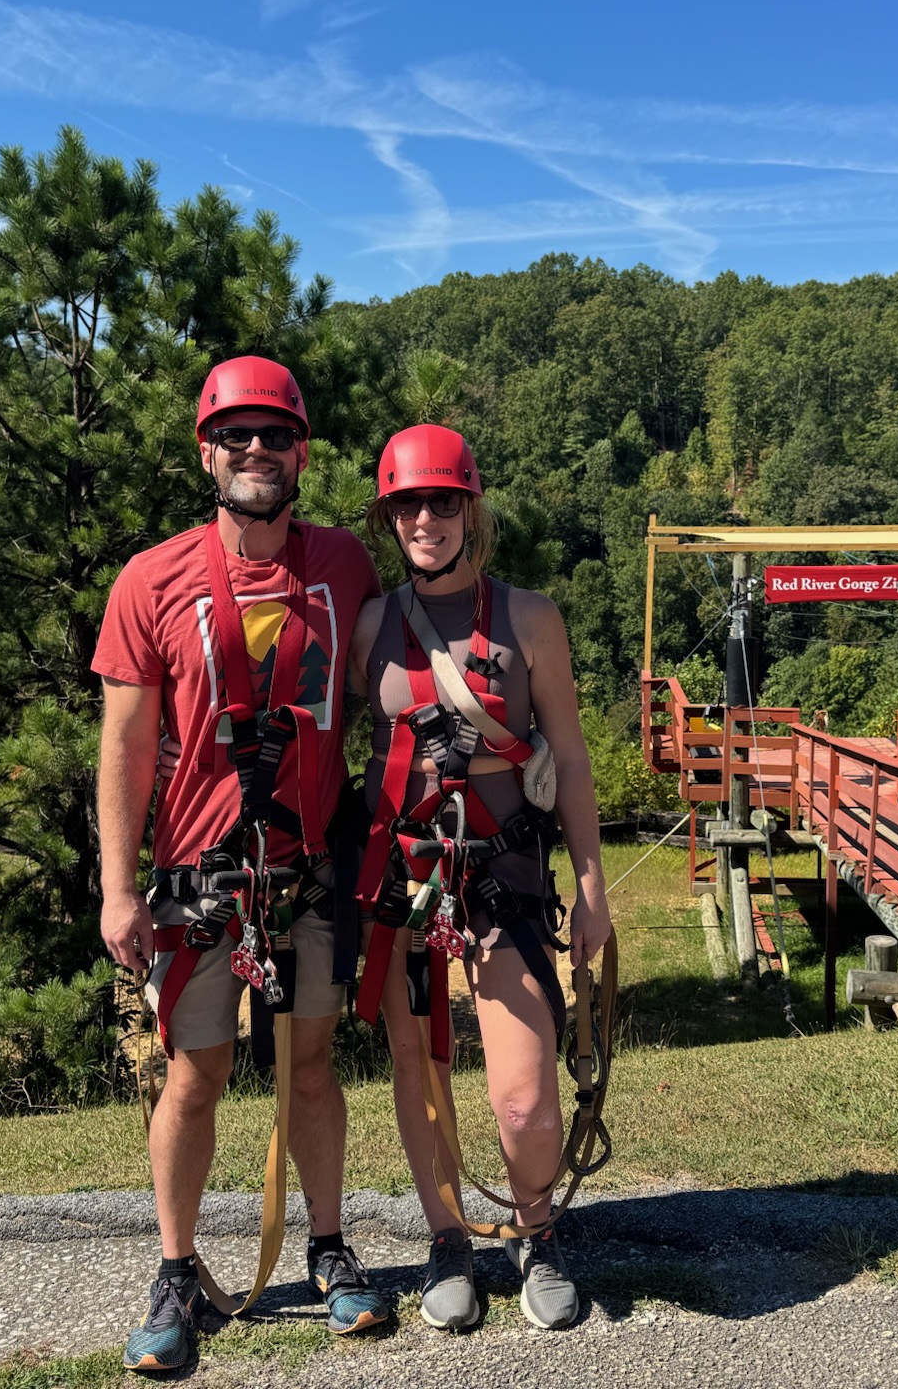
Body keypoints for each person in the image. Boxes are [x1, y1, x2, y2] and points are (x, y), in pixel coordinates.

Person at [95, 356, 387, 1371]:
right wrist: (117, 888)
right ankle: (176, 1268)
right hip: (196, 872)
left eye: (274, 436)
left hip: (304, 866)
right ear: (206, 453)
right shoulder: (153, 579)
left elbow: (395, 680)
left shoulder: (344, 565)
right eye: (236, 437)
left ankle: (328, 1246)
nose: (255, 453)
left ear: (301, 451)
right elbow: (126, 746)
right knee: (195, 1073)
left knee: (311, 1070)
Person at [347, 424, 614, 1332]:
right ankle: (449, 1237)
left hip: (504, 875)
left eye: (443, 501)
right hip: (407, 876)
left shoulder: (530, 618)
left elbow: (570, 758)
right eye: (409, 504)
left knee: (525, 1096)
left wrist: (591, 885)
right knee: (420, 1070)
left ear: (471, 509)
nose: (427, 518)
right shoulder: (374, 626)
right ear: (390, 517)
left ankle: (535, 1229)